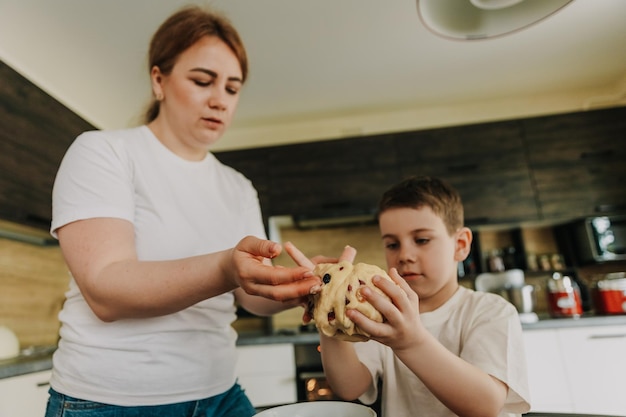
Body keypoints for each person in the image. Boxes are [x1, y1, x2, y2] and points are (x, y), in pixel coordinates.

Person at [45, 6, 321, 417]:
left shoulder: (237, 186)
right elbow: (105, 290)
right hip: (108, 402)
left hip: (220, 394)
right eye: (202, 81)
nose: (219, 100)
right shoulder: (104, 153)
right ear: (159, 80)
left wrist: (300, 282)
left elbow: (250, 296)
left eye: (232, 88)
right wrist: (227, 267)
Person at [287, 176, 531, 417]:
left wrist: (411, 342)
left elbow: (485, 405)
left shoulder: (490, 311)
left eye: (422, 240)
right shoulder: (383, 311)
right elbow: (350, 387)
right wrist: (329, 310)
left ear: (460, 244)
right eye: (392, 244)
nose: (405, 255)